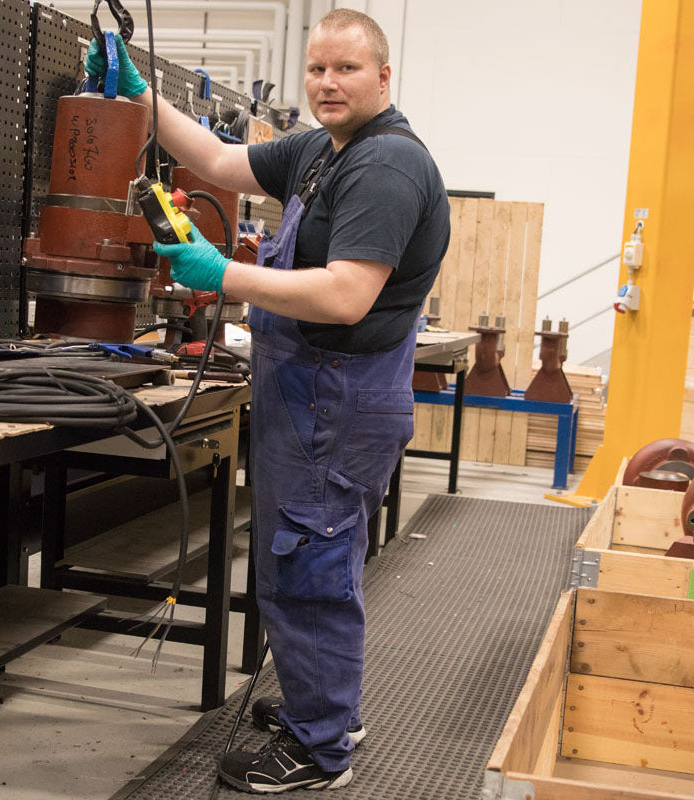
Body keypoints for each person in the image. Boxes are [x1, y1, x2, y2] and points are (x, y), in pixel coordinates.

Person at [86, 9, 450, 793]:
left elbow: (347, 294)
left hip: (337, 395)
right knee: (315, 556)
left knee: (308, 562)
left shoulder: (385, 166)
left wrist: (222, 274)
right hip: (311, 386)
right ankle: (328, 709)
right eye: (317, 69)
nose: (328, 83)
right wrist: (140, 94)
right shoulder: (322, 149)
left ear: (384, 77)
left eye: (347, 69)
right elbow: (218, 158)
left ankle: (321, 752)